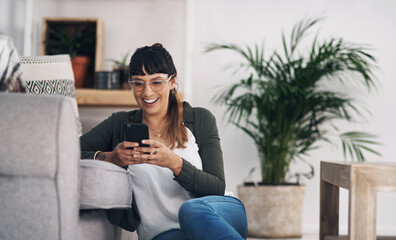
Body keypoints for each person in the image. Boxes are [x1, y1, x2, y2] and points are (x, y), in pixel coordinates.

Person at [80, 43, 248, 240]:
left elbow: (216, 187)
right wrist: (109, 158)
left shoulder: (200, 119)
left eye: (157, 82)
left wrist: (174, 163)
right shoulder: (118, 124)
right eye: (138, 83)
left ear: (172, 81)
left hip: (216, 214)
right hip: (163, 232)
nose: (147, 92)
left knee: (190, 211)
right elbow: (67, 151)